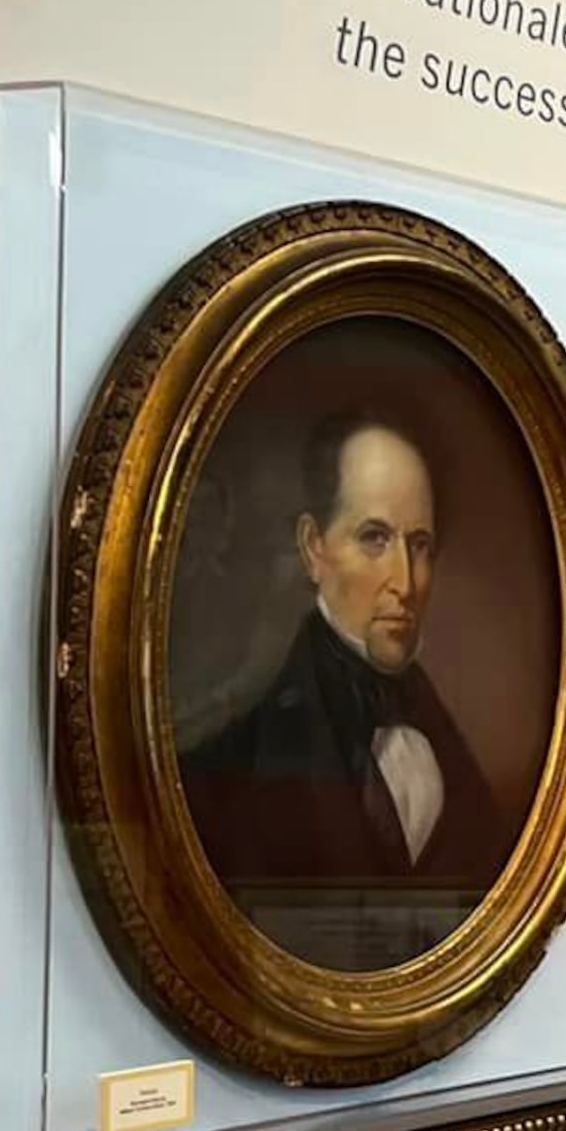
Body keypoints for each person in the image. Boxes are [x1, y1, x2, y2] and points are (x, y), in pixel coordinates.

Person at [180, 410, 514, 971]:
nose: (405, 584)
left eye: (421, 545)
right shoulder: (237, 753)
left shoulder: (445, 742)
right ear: (314, 548)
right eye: (375, 539)